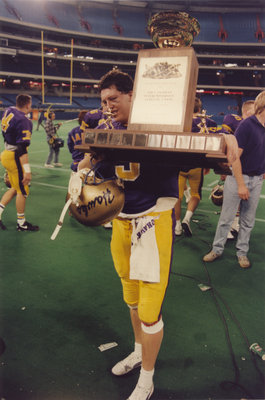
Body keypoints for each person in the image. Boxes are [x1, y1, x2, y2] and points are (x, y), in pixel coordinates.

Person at [78, 69, 180, 400]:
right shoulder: (106, 128)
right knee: (131, 299)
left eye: (114, 99)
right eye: (103, 100)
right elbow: (86, 158)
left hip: (152, 222)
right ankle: (138, 351)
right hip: (121, 222)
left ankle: (147, 378)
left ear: (131, 95)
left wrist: (230, 137)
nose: (107, 106)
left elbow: (204, 133)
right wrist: (82, 170)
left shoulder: (158, 124)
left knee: (150, 310)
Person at [203, 91, 265, 269]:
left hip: (257, 179)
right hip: (239, 177)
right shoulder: (247, 125)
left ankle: (242, 253)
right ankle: (217, 249)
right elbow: (235, 158)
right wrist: (241, 184)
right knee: (227, 217)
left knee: (248, 220)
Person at [175, 97, 218, 237]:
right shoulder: (208, 122)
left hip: (179, 164)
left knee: (177, 196)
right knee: (196, 194)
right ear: (200, 109)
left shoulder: (180, 122)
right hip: (197, 165)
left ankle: (176, 225)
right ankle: (187, 218)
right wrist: (208, 164)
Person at [0, 94, 39, 231]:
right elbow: (22, 148)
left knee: (14, 188)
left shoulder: (9, 110)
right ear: (28, 104)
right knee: (23, 190)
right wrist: (27, 170)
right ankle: (21, 224)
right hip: (14, 156)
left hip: (5, 154)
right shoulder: (24, 121)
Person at [221, 100, 255, 239]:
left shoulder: (257, 127)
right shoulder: (237, 123)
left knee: (243, 203)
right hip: (234, 167)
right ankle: (228, 230)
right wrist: (224, 169)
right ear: (246, 112)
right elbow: (226, 146)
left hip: (250, 170)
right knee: (230, 203)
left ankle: (235, 225)